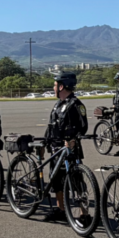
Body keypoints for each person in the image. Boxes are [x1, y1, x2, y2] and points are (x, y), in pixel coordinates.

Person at [42, 71, 90, 223]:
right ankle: (61, 209)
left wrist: (72, 138)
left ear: (61, 86)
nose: (53, 88)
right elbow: (51, 127)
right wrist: (44, 142)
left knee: (76, 182)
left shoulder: (75, 104)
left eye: (55, 85)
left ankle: (84, 214)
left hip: (70, 150)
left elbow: (83, 127)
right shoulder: (58, 105)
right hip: (55, 149)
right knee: (56, 181)